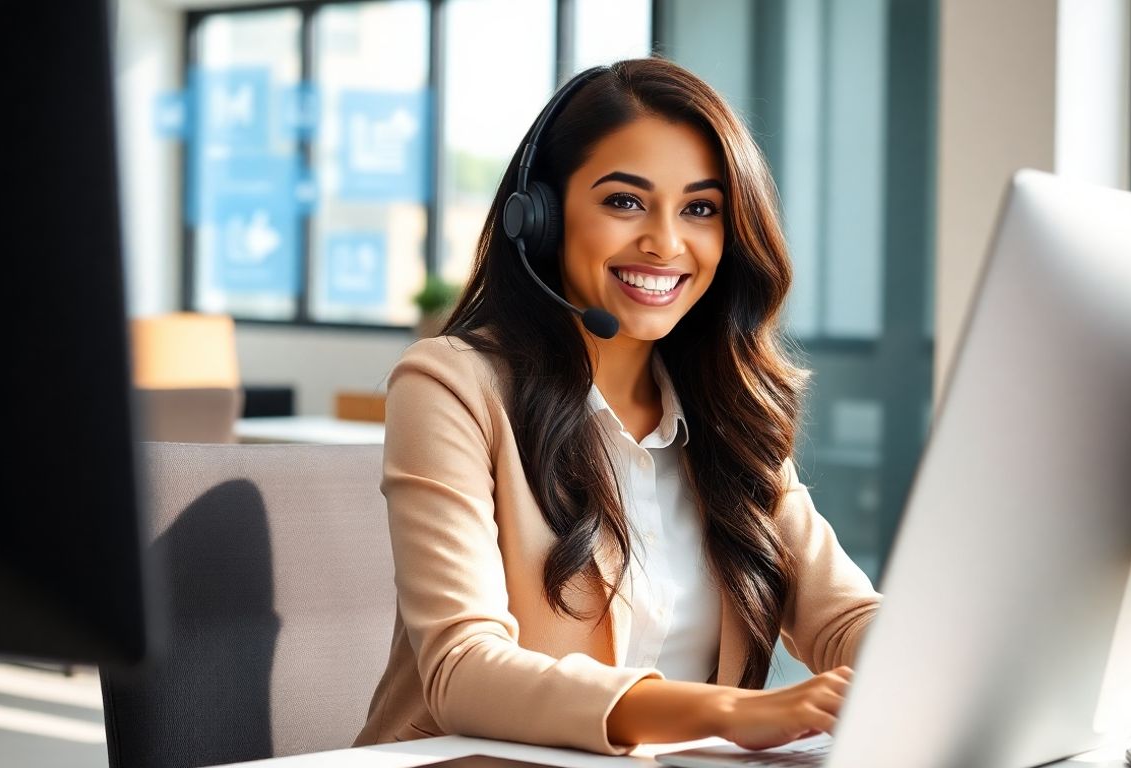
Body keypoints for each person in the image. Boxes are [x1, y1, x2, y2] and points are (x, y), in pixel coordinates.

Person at [354, 57, 881, 756]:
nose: (665, 242)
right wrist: (725, 711)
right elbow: (464, 669)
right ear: (539, 218)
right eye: (625, 201)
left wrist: (935, 663)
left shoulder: (726, 414)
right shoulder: (452, 385)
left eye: (701, 209)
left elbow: (844, 617)